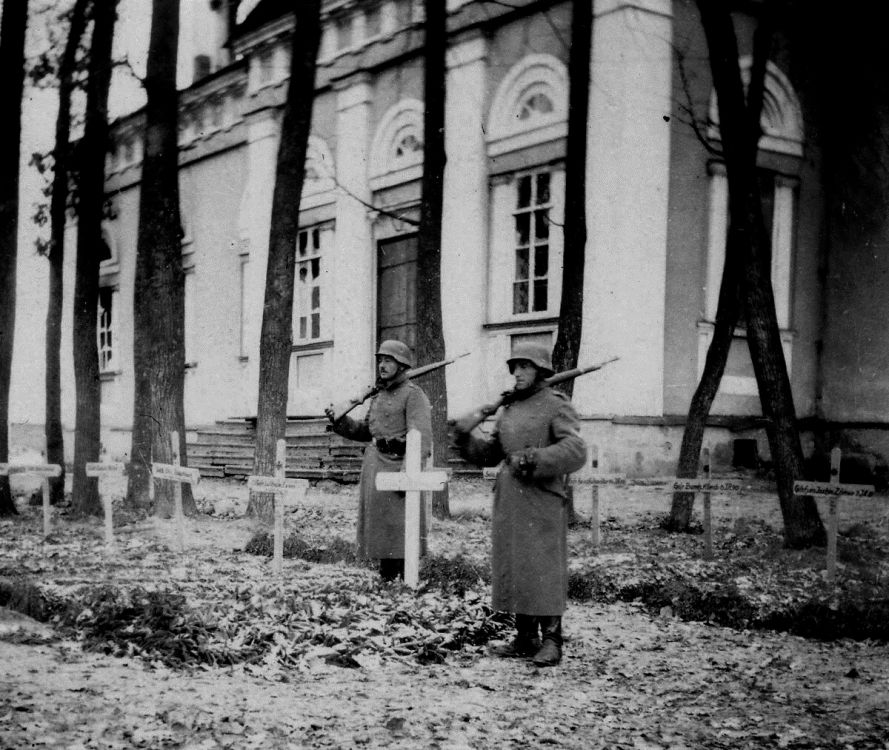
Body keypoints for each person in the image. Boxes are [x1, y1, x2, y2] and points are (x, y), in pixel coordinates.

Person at [453, 342, 587, 666]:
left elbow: (576, 450)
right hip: (511, 501)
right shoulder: (509, 409)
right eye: (515, 367)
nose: (517, 373)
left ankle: (552, 640)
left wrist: (534, 458)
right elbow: (491, 453)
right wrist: (463, 437)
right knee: (517, 567)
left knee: (543, 569)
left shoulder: (556, 406)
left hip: (542, 500)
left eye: (525, 366)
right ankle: (525, 638)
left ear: (540, 370)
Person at [324, 340, 432, 581]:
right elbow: (367, 430)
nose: (382, 365)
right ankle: (386, 576)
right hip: (375, 465)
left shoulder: (413, 395)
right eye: (380, 360)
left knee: (400, 528)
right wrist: (340, 421)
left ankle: (404, 579)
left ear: (402, 365)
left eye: (388, 360)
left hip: (398, 465)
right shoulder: (379, 394)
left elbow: (421, 438)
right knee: (382, 528)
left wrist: (408, 474)